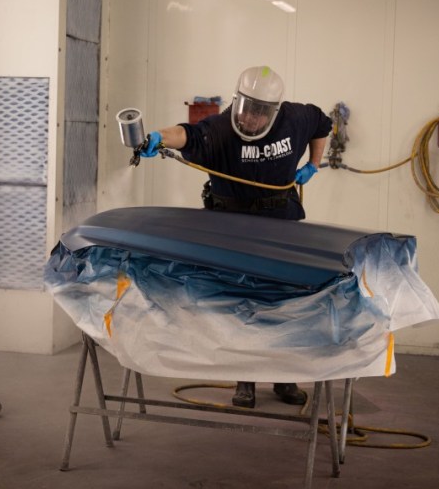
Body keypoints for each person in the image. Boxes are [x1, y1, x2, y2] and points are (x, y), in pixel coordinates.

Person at [140, 65, 332, 409]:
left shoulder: (296, 118)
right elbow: (188, 134)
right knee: (242, 305)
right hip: (233, 230)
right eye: (247, 109)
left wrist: (314, 164)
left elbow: (323, 123)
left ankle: (286, 380)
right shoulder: (222, 129)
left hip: (281, 225)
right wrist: (157, 136)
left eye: (261, 113)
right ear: (237, 101)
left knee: (284, 304)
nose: (252, 120)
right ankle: (245, 380)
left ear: (274, 110)